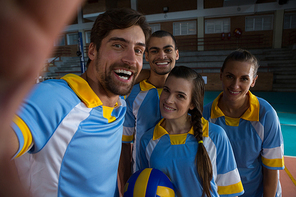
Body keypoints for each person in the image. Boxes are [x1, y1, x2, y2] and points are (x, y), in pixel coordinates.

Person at [1, 5, 151, 197]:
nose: (131, 59)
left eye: (138, 50)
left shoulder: (119, 103)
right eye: (118, 45)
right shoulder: (53, 99)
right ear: (92, 51)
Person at [139, 66, 244, 197]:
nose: (169, 100)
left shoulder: (215, 136)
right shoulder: (148, 140)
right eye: (166, 90)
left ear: (192, 104)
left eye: (180, 96)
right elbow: (143, 187)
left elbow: (230, 192)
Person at [203, 49, 285, 197]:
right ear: (221, 75)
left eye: (244, 79)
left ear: (253, 81)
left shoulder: (266, 114)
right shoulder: (205, 116)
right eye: (230, 76)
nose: (235, 85)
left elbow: (271, 170)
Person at [119, 30, 179, 191]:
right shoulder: (133, 96)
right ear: (146, 56)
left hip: (181, 179)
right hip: (143, 182)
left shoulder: (188, 94)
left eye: (167, 50)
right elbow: (125, 146)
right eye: (154, 51)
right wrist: (125, 181)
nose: (162, 55)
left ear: (177, 54)